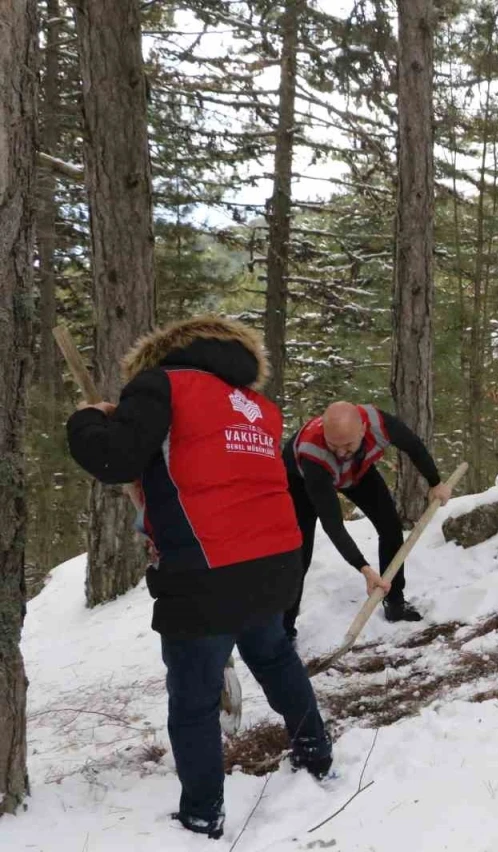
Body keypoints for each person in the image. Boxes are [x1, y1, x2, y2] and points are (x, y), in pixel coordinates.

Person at [66, 316, 331, 840]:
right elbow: (202, 463)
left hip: (206, 571)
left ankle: (203, 814)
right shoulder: (259, 407)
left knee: (195, 699)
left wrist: (87, 420)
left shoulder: (160, 384)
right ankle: (317, 755)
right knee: (276, 658)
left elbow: (115, 458)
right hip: (275, 561)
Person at [283, 401, 451, 637]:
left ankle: (395, 603)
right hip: (302, 481)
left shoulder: (380, 424)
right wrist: (363, 567)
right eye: (334, 445)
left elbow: (413, 445)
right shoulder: (314, 454)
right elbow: (333, 526)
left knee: (391, 527)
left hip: (357, 471)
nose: (341, 452)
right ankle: (284, 631)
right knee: (300, 554)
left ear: (363, 429)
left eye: (348, 444)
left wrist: (435, 482)